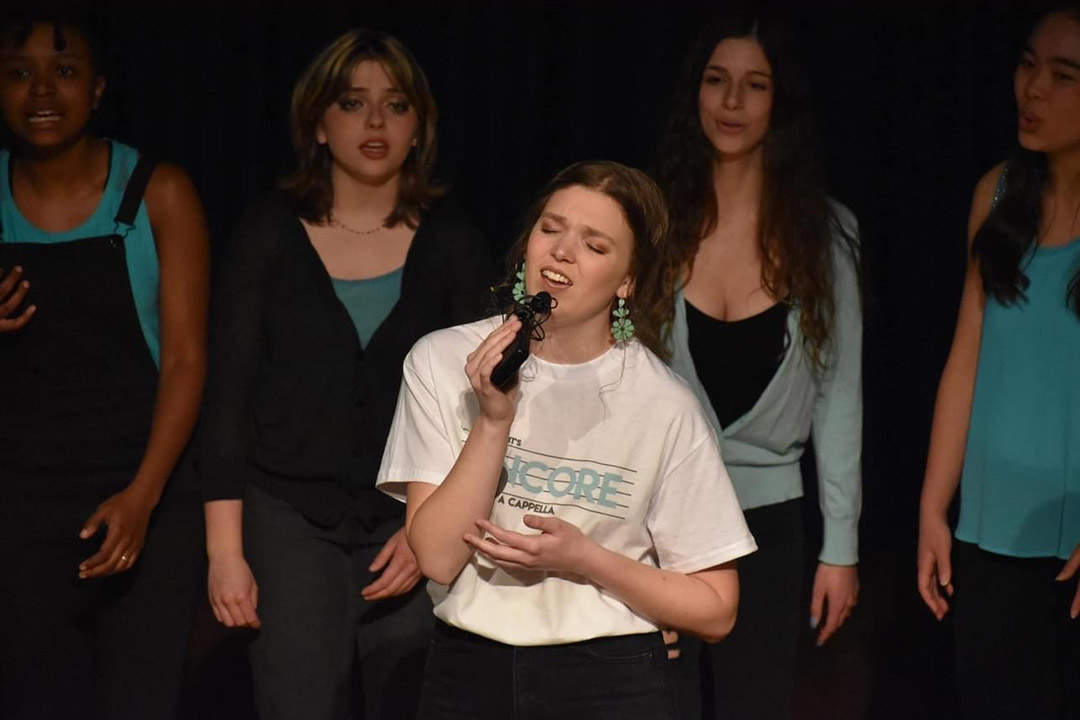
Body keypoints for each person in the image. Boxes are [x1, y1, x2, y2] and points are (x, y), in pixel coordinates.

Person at [376, 160, 757, 720]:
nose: (562, 252)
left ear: (627, 280)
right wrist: (492, 421)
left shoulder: (663, 403)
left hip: (611, 677)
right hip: (469, 670)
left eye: (595, 245)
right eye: (551, 229)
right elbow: (434, 555)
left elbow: (717, 609)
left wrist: (584, 558)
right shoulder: (442, 360)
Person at [197, 28, 491, 720]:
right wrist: (225, 554)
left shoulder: (454, 244)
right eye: (353, 103)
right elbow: (228, 400)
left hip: (412, 518)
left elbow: (486, 408)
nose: (376, 122)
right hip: (287, 514)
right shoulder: (268, 234)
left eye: (395, 105)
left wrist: (432, 532)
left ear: (420, 127)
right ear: (318, 124)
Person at [0, 9, 210, 720]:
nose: (41, 90)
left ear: (96, 89)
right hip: (23, 507)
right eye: (19, 72)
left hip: (144, 494)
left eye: (63, 70)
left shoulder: (158, 192)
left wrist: (143, 497)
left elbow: (185, 360)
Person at [655, 9, 863, 719]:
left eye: (755, 85)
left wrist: (841, 548)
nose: (733, 102)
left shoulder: (826, 233)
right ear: (696, 94)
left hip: (770, 526)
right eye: (717, 81)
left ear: (782, 103)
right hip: (662, 524)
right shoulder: (656, 221)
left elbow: (840, 397)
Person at [917, 5, 1080, 718]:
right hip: (988, 531)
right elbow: (966, 355)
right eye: (1026, 65)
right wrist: (931, 506)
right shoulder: (998, 193)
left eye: (1062, 75)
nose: (1032, 89)